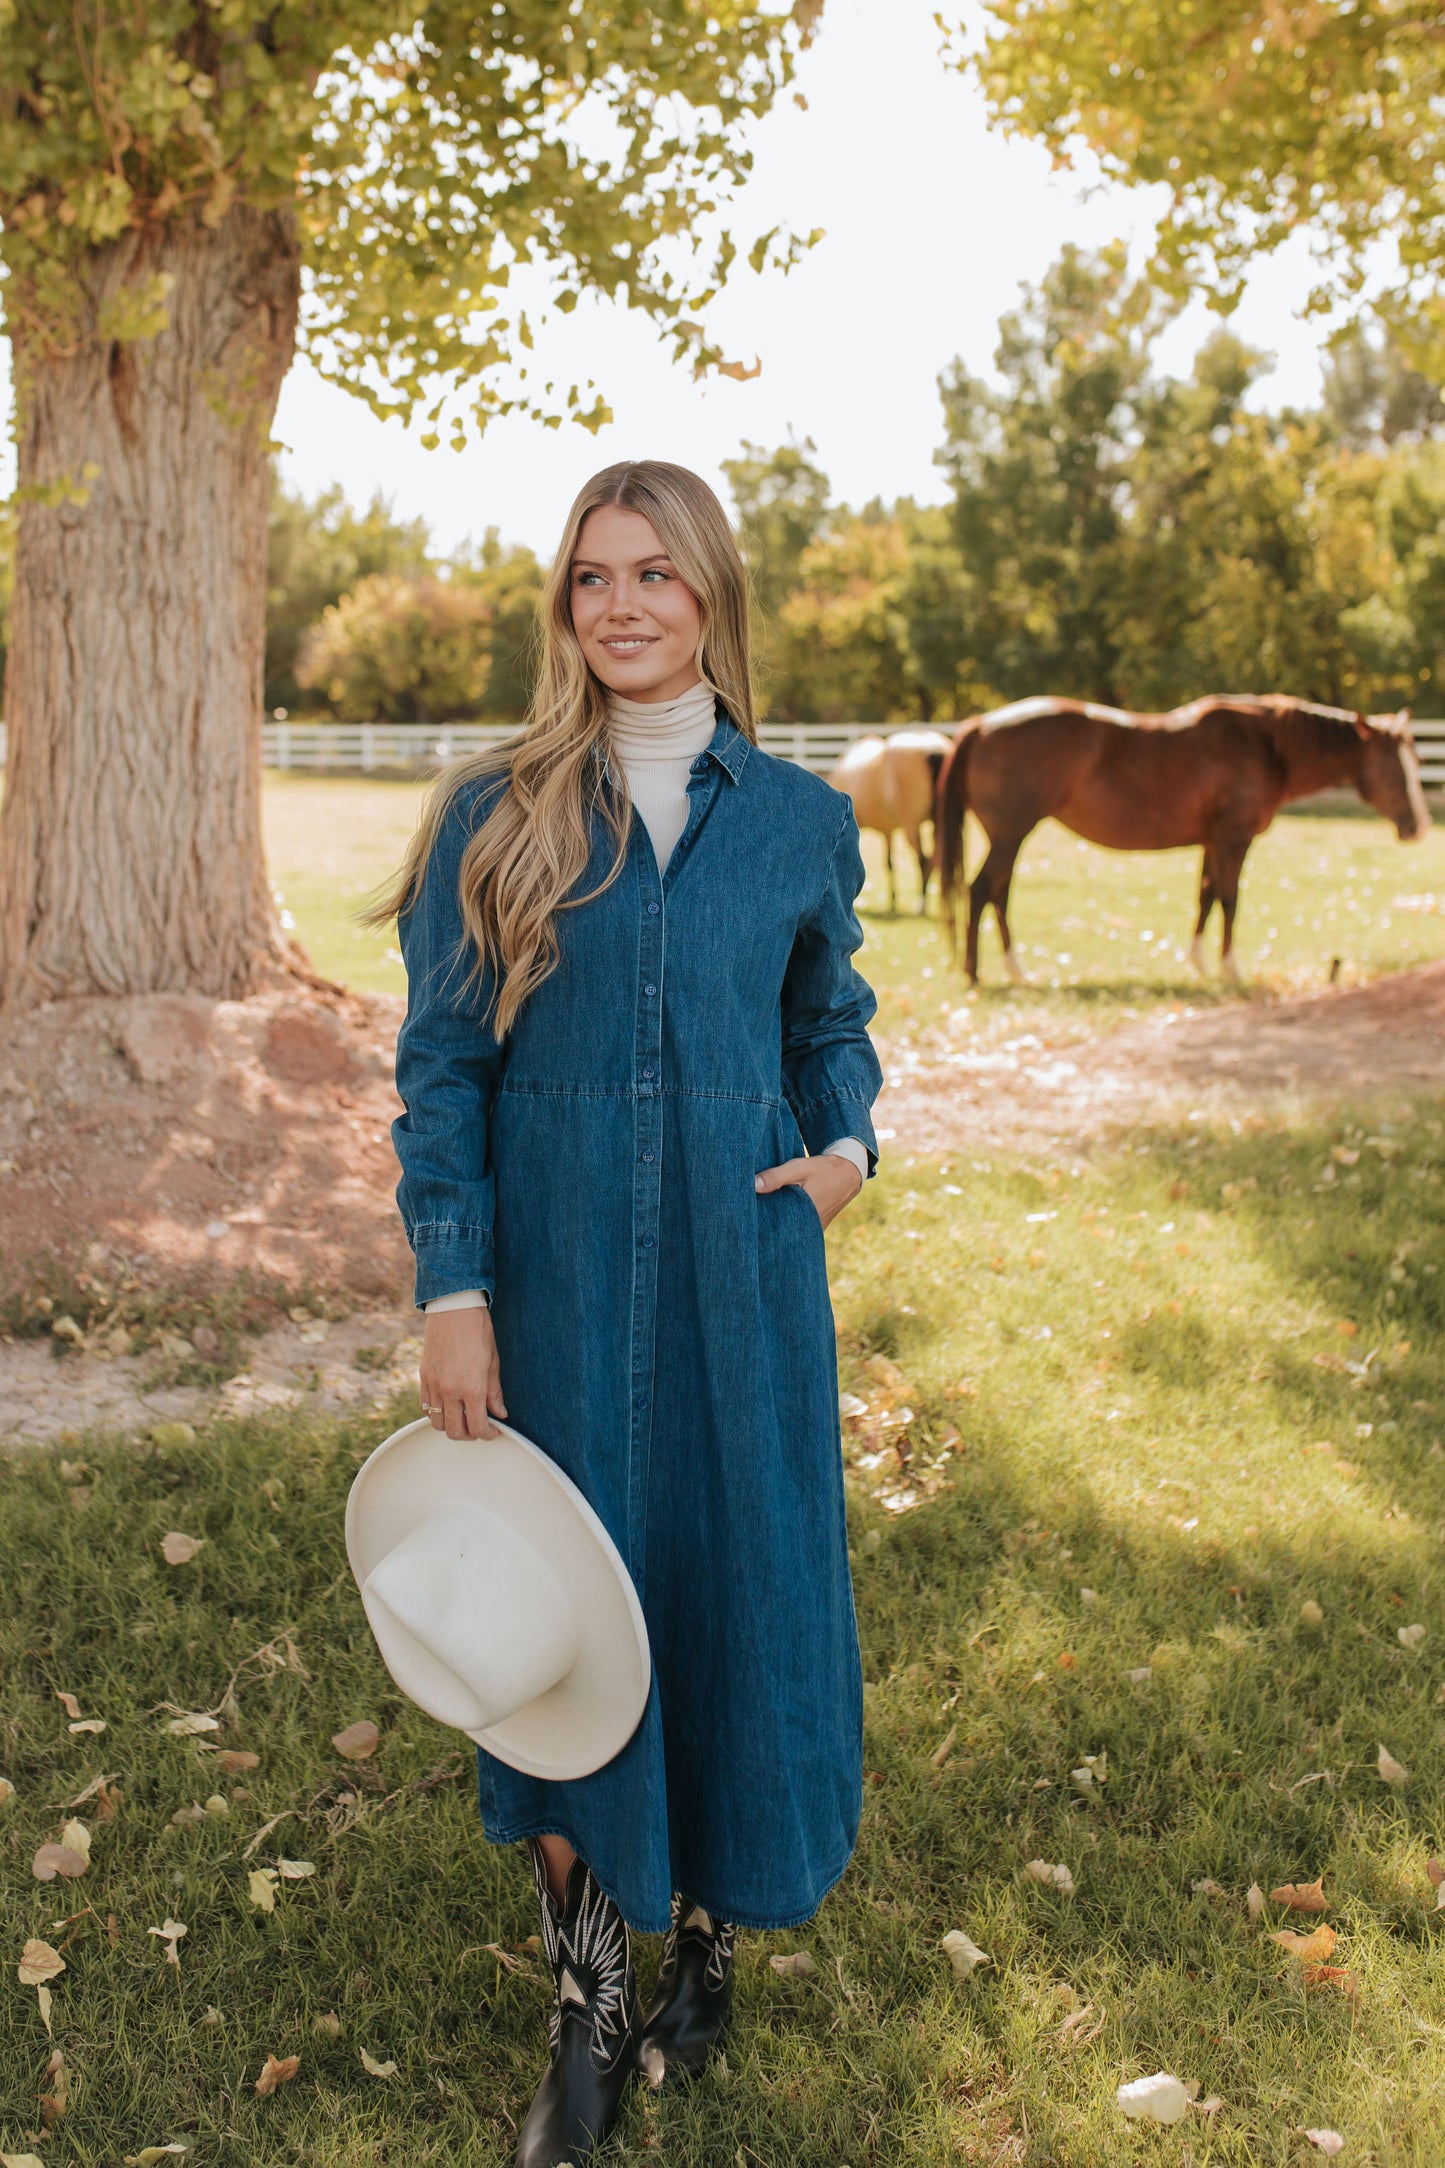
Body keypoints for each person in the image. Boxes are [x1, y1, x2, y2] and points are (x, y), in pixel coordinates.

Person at [372, 459, 883, 2167]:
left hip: (745, 1277)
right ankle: (586, 1997)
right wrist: (456, 1284)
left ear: (712, 596)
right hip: (562, 1277)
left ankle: (707, 1938)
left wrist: (843, 1148)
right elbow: (443, 1066)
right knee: (563, 1618)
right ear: (563, 608)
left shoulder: (802, 823)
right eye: (592, 577)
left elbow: (830, 1021)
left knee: (726, 1586)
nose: (623, 606)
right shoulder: (494, 813)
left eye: (656, 574)